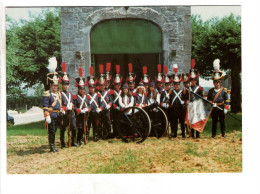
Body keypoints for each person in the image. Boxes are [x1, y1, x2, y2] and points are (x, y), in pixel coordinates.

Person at [207, 59, 230, 138]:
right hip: (214, 108)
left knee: (222, 121)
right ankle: (213, 134)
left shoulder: (224, 90)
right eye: (214, 82)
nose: (216, 83)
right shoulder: (210, 91)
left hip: (221, 107)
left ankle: (223, 134)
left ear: (220, 82)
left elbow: (227, 100)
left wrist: (226, 108)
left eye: (217, 82)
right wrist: (211, 103)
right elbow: (208, 100)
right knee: (214, 121)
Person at [42, 58, 61, 153]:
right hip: (51, 115)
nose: (55, 87)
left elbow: (60, 104)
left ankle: (53, 145)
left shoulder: (58, 94)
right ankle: (52, 146)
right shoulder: (47, 94)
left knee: (55, 130)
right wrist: (47, 115)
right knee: (51, 131)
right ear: (50, 86)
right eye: (54, 86)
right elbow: (45, 106)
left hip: (57, 115)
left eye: (56, 86)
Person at [59, 62, 79, 148]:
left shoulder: (70, 94)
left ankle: (73, 141)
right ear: (62, 85)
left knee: (74, 128)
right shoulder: (60, 94)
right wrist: (66, 107)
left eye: (67, 85)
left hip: (71, 113)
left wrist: (72, 106)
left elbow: (73, 103)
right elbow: (59, 105)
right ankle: (62, 142)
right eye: (64, 85)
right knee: (63, 129)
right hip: (64, 114)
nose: (66, 86)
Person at [168, 64, 188, 138]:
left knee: (182, 122)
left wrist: (185, 103)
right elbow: (169, 99)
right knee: (174, 122)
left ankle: (183, 134)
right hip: (174, 109)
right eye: (175, 84)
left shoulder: (183, 91)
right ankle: (174, 134)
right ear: (173, 84)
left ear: (180, 84)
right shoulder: (171, 91)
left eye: (178, 84)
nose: (177, 86)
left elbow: (186, 98)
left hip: (181, 109)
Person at [74, 67, 90, 145]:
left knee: (86, 127)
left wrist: (88, 109)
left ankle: (86, 138)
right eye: (80, 89)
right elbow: (75, 106)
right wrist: (79, 110)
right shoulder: (76, 97)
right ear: (78, 89)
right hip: (79, 115)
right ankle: (79, 140)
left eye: (83, 89)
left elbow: (90, 105)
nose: (82, 90)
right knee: (80, 128)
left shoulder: (86, 96)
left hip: (86, 114)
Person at [86, 66, 103, 142]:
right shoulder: (86, 96)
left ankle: (95, 135)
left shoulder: (98, 95)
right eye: (90, 88)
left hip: (95, 112)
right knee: (88, 124)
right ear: (89, 88)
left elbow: (101, 103)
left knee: (95, 124)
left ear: (95, 88)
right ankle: (86, 136)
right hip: (89, 112)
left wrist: (100, 108)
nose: (91, 89)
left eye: (92, 88)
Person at [189, 59, 204, 138]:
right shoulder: (188, 88)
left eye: (194, 80)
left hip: (197, 105)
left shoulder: (199, 88)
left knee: (197, 120)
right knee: (192, 120)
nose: (193, 82)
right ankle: (192, 134)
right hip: (191, 105)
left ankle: (197, 134)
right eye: (192, 80)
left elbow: (201, 97)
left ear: (196, 80)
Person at [97, 64, 113, 140]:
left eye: (103, 85)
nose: (103, 86)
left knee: (107, 121)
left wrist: (109, 105)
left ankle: (108, 133)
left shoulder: (107, 93)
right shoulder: (97, 93)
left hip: (106, 110)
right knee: (101, 122)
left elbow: (111, 100)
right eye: (101, 85)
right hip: (100, 110)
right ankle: (101, 134)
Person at [110, 65, 123, 138]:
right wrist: (115, 106)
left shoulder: (122, 92)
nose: (118, 86)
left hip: (121, 108)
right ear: (114, 85)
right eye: (116, 85)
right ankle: (115, 133)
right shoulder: (112, 92)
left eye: (119, 84)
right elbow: (111, 100)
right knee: (114, 121)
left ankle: (120, 133)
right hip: (115, 109)